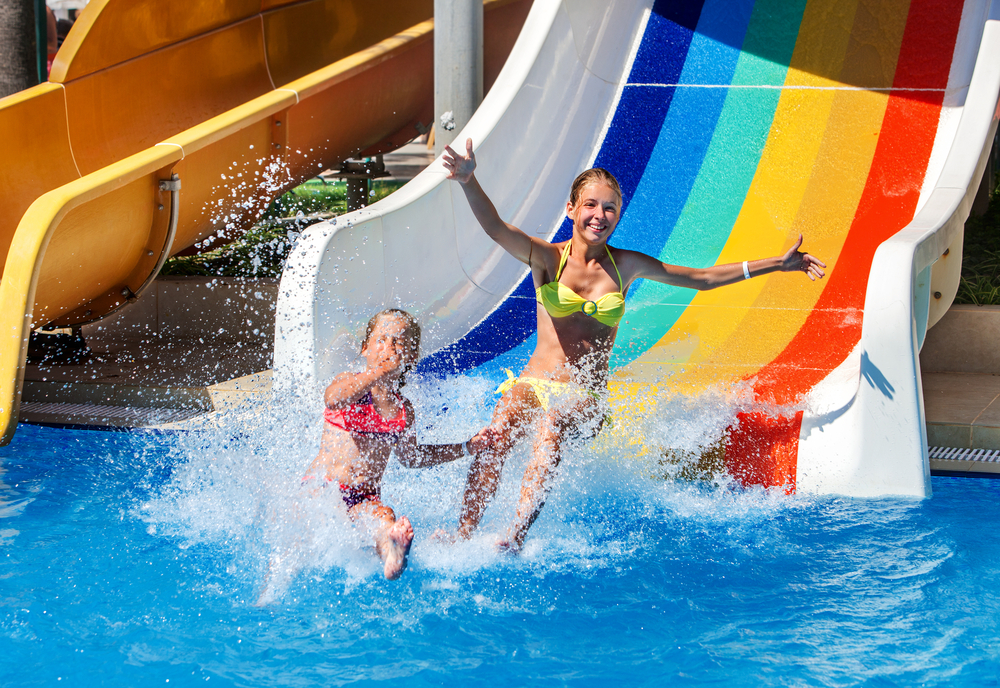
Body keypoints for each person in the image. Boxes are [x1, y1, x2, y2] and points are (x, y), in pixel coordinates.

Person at [441, 138, 827, 552]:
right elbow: (497, 229)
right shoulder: (546, 258)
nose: (599, 215)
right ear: (571, 209)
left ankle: (513, 537)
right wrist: (468, 181)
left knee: (553, 422)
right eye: (590, 204)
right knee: (496, 431)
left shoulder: (627, 265)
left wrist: (776, 264)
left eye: (610, 207)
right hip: (536, 380)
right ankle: (463, 532)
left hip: (584, 395)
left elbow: (701, 278)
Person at [300, 308, 494, 579]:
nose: (389, 347)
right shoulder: (349, 383)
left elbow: (412, 457)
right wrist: (377, 373)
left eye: (398, 342)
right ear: (365, 348)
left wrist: (466, 447)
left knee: (384, 516)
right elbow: (333, 399)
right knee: (298, 544)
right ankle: (267, 595)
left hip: (363, 498)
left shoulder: (403, 410)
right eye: (381, 339)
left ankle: (392, 553)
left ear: (411, 357)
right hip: (324, 489)